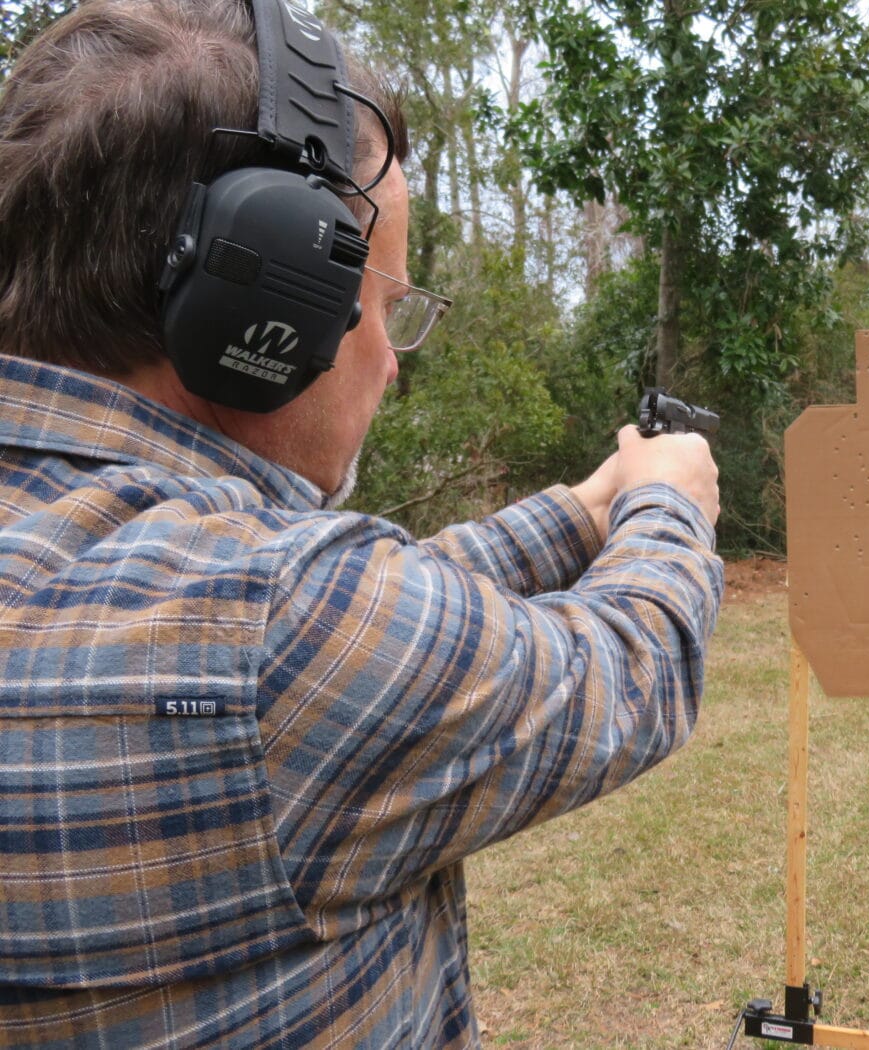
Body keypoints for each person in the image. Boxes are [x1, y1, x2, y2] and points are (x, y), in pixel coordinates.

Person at [0, 1, 722, 1047]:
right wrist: (669, 502)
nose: (388, 357)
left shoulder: (159, 581)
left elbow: (364, 612)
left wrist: (585, 509)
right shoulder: (279, 627)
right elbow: (622, 668)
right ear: (261, 307)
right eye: (381, 302)